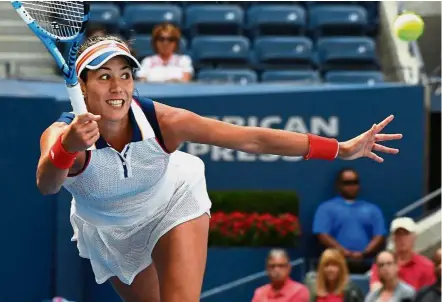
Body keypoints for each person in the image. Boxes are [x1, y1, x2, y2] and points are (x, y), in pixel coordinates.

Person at [36, 34, 402, 302]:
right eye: (103, 76)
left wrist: (340, 148)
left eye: (125, 74)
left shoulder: (164, 120)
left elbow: (251, 139)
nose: (117, 86)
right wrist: (68, 148)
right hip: (109, 229)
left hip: (171, 203)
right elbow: (47, 184)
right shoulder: (60, 134)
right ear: (81, 86)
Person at [313, 168, 386, 274]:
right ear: (339, 185)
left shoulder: (372, 209)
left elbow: (379, 235)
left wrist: (364, 253)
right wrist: (345, 252)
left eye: (355, 182)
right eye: (347, 183)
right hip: (335, 265)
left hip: (367, 264)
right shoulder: (326, 208)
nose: (352, 186)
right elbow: (322, 234)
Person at [370, 218, 435, 291]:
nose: (402, 238)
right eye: (398, 234)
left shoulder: (427, 266)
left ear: (414, 236)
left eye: (406, 234)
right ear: (392, 238)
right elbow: (376, 291)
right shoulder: (382, 263)